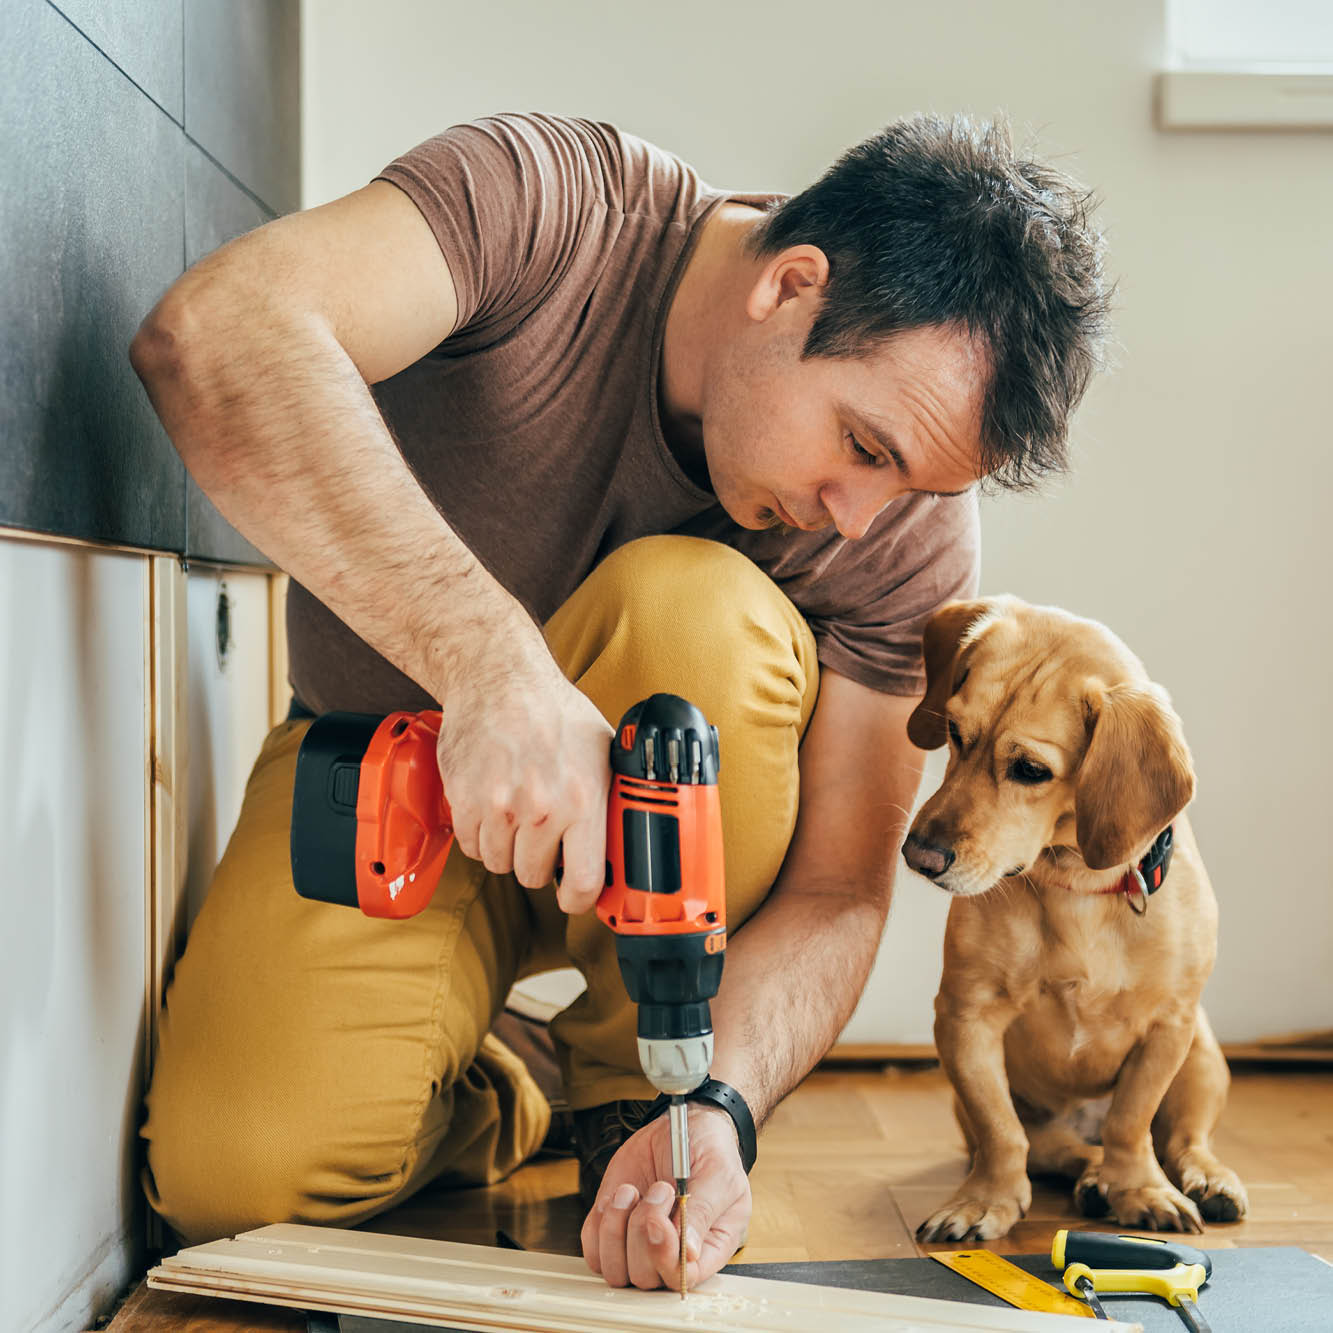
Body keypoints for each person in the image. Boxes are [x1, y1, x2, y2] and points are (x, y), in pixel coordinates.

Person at [129, 111, 1108, 1291]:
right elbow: (217, 332)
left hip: (669, 906)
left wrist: (728, 1105)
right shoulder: (547, 205)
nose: (859, 514)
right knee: (235, 1184)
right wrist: (493, 668)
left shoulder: (903, 529)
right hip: (388, 767)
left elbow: (840, 889)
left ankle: (638, 1089)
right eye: (860, 444)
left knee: (695, 608)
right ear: (791, 286)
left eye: (905, 483)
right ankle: (512, 1080)